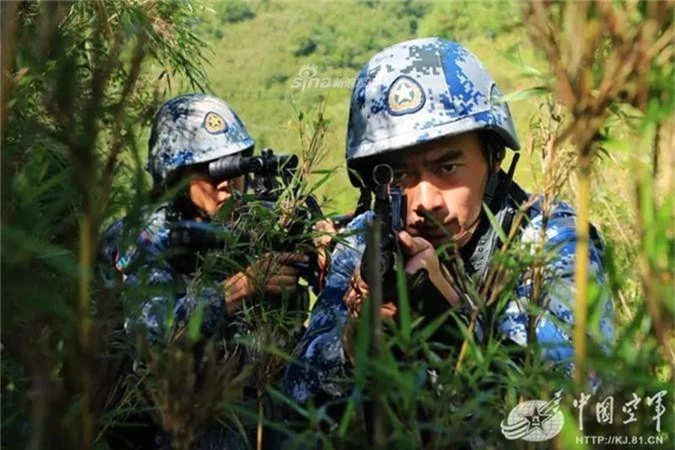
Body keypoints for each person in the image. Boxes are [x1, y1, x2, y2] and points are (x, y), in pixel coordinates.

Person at [283, 38, 614, 408]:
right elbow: (294, 400)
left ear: (493, 157)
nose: (425, 202)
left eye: (447, 168)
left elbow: (580, 403)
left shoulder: (550, 242)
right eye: (398, 175)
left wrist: (455, 320)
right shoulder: (364, 243)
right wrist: (351, 347)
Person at [100, 93, 320, 449]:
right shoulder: (143, 236)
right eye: (209, 169)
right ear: (173, 179)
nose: (226, 183)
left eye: (234, 166)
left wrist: (319, 247)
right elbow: (152, 336)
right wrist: (240, 289)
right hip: (171, 422)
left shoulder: (258, 220)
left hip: (263, 416)